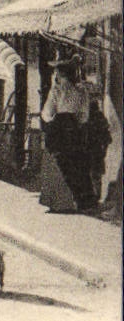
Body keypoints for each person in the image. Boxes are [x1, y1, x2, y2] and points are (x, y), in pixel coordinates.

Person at [40, 52, 99, 212]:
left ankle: (60, 202)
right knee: (77, 163)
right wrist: (76, 123)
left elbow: (46, 113)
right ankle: (84, 201)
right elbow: (84, 116)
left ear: (59, 74)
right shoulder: (80, 91)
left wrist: (52, 121)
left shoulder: (56, 91)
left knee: (58, 162)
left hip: (59, 128)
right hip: (73, 129)